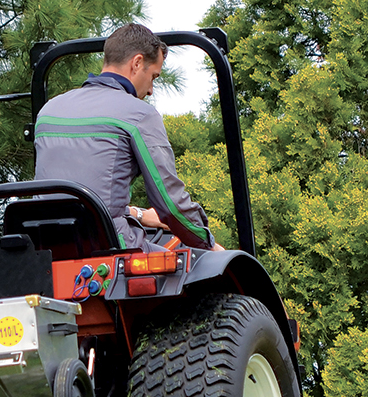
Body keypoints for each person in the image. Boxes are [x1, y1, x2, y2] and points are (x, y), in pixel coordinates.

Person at [33, 23, 225, 253]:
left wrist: (137, 213)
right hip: (109, 248)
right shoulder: (139, 114)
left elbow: (80, 191)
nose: (151, 90)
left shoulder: (48, 110)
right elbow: (171, 205)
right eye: (153, 76)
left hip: (45, 247)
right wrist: (208, 243)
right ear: (137, 63)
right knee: (189, 263)